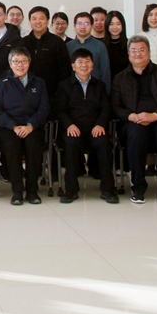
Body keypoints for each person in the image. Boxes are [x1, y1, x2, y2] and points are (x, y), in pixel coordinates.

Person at [112, 35, 157, 204]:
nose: (138, 54)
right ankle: (138, 187)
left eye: (142, 50)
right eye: (134, 50)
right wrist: (131, 116)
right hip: (134, 121)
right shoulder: (120, 78)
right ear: (128, 54)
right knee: (136, 135)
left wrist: (155, 115)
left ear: (149, 53)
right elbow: (115, 105)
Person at [54, 48, 116, 204]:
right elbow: (60, 110)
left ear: (93, 65)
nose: (84, 65)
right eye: (80, 62)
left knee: (104, 144)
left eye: (87, 61)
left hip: (95, 128)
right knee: (71, 144)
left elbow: (106, 109)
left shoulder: (100, 85)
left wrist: (100, 124)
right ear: (73, 66)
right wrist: (69, 125)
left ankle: (108, 189)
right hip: (73, 128)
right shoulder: (64, 85)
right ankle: (71, 190)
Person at [0, 47, 49, 205]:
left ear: (29, 63)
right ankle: (17, 190)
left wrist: (30, 126)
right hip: (9, 128)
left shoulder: (39, 83)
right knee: (12, 145)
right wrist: (13, 126)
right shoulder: (1, 84)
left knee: (33, 144)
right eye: (16, 61)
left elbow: (44, 108)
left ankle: (32, 190)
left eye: (23, 61)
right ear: (10, 64)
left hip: (33, 127)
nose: (20, 65)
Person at [24, 6, 72, 100]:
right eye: (34, 18)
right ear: (30, 21)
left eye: (41, 18)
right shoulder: (23, 42)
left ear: (48, 20)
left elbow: (65, 70)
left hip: (51, 93)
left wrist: (60, 91)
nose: (38, 21)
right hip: (26, 92)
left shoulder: (57, 42)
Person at [67, 12, 111, 93]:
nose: (83, 27)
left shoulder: (100, 46)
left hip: (96, 91)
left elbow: (105, 72)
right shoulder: (68, 46)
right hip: (73, 91)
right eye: (79, 24)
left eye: (86, 24)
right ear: (74, 26)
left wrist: (106, 93)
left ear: (92, 26)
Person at [105, 10, 128, 81]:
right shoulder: (102, 45)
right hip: (107, 82)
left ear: (122, 25)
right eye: (111, 24)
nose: (115, 27)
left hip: (125, 82)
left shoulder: (129, 44)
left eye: (118, 24)